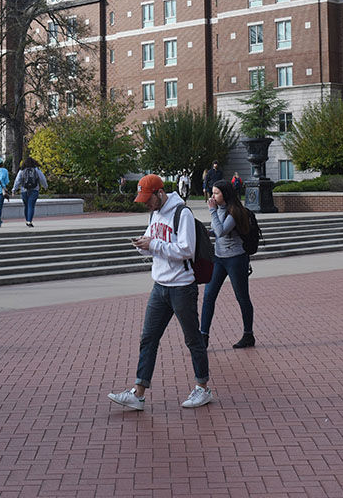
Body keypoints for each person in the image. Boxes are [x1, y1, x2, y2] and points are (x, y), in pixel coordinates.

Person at [107, 174, 212, 411]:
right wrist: (144, 245)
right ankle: (138, 392)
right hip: (160, 286)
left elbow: (186, 249)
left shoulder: (181, 213)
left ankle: (203, 388)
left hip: (182, 287)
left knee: (192, 338)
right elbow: (155, 245)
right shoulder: (154, 213)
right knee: (148, 338)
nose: (146, 203)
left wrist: (153, 245)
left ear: (160, 193)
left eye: (148, 198)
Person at [200, 179, 255, 349]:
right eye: (212, 192)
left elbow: (222, 231)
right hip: (219, 258)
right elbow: (216, 231)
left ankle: (248, 335)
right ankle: (203, 336)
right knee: (209, 295)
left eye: (216, 193)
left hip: (236, 259)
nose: (213, 196)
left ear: (226, 194)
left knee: (242, 297)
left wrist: (211, 212)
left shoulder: (235, 212)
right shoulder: (220, 210)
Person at [12, 156, 48, 227]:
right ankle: (29, 221)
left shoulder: (21, 170)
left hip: (24, 190)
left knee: (26, 206)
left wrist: (14, 190)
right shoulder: (36, 170)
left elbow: (17, 181)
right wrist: (45, 186)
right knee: (31, 206)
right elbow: (42, 178)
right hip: (34, 190)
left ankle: (27, 220)